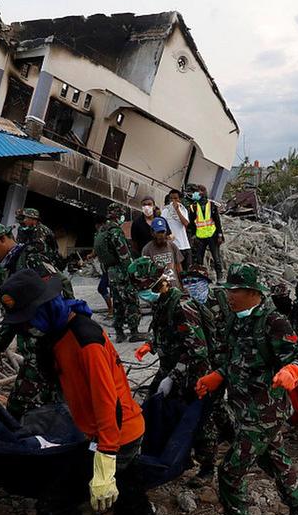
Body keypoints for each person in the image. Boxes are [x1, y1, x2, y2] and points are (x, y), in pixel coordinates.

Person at [0, 269, 172, 515]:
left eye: (30, 318)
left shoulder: (84, 338)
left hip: (116, 433)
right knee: (130, 495)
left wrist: (104, 457)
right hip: (118, 431)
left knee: (55, 503)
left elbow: (109, 403)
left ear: (45, 308)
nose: (30, 327)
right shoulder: (59, 333)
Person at [195, 263, 298, 515]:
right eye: (228, 291)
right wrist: (218, 375)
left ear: (252, 292)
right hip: (242, 408)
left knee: (231, 471)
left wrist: (293, 371)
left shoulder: (274, 322)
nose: (229, 297)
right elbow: (232, 357)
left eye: (234, 291)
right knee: (276, 460)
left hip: (264, 412)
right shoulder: (236, 320)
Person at [129, 256, 219, 488]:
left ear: (159, 282)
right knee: (156, 406)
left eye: (143, 287)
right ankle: (178, 457)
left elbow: (197, 350)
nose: (142, 293)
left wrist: (172, 377)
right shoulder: (162, 303)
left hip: (195, 373)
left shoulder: (181, 305)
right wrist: (150, 344)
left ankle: (207, 467)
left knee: (198, 419)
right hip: (171, 367)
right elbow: (164, 332)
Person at [0, 219, 72, 417]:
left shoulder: (30, 260)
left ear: (2, 239)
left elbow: (62, 290)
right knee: (44, 402)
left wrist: (60, 333)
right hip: (35, 347)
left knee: (20, 406)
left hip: (43, 345)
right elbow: (17, 314)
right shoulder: (14, 264)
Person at [92, 204, 141, 342]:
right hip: (121, 270)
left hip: (110, 272)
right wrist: (133, 272)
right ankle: (134, 332)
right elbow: (123, 254)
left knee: (118, 302)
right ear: (118, 215)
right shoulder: (115, 231)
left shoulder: (101, 231)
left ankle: (119, 332)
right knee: (131, 300)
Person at [189, 185, 224, 279]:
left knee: (216, 258)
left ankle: (220, 277)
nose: (197, 193)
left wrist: (220, 235)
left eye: (200, 191)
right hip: (200, 237)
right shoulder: (193, 207)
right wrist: (193, 236)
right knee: (199, 259)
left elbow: (217, 221)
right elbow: (192, 223)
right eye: (196, 191)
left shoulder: (211, 205)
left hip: (212, 235)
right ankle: (201, 277)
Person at [141, 217, 184, 284]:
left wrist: (183, 283)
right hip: (158, 289)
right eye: (158, 232)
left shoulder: (172, 246)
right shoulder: (147, 250)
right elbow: (145, 273)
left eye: (162, 232)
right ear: (152, 232)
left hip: (175, 287)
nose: (161, 235)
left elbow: (178, 266)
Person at [161, 189, 192, 268]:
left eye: (175, 198)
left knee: (187, 270)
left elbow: (185, 223)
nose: (173, 201)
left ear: (179, 199)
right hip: (174, 246)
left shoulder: (183, 210)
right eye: (171, 198)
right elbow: (162, 226)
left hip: (185, 245)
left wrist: (177, 210)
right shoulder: (166, 211)